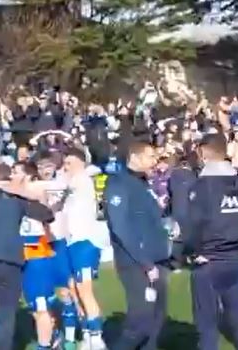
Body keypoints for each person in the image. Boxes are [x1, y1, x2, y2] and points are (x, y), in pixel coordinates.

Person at [183, 134, 238, 350]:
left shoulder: (201, 186)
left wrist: (192, 252)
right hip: (235, 259)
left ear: (204, 152)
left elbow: (192, 225)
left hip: (208, 261)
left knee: (207, 328)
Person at [0, 159, 55, 350]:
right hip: (8, 261)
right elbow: (47, 214)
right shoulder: (16, 200)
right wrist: (21, 193)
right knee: (7, 314)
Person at [104, 142, 171, 350]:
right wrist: (145, 264)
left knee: (155, 323)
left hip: (156, 261)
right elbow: (120, 227)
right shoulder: (118, 184)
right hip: (136, 264)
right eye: (150, 156)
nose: (155, 161)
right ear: (135, 158)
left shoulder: (142, 184)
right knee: (140, 324)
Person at [63, 147, 108, 350]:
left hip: (86, 242)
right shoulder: (74, 183)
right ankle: (88, 333)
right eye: (65, 164)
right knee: (74, 289)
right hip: (72, 242)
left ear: (81, 163)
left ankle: (97, 338)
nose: (66, 167)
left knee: (84, 289)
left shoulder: (83, 178)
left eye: (70, 163)